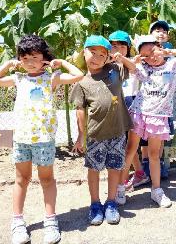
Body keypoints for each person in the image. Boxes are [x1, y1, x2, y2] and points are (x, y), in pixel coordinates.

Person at [0, 34, 84, 244]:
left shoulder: (52, 78)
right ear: (19, 60)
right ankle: (17, 222)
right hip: (21, 138)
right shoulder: (18, 78)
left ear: (44, 57)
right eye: (25, 58)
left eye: (34, 57)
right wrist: (8, 64)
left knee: (47, 180)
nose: (30, 63)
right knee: (21, 180)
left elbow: (78, 75)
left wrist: (63, 63)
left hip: (44, 139)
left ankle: (50, 221)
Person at [115, 35, 176, 207]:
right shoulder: (142, 68)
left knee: (154, 155)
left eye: (153, 50)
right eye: (146, 55)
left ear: (160, 47)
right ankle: (120, 188)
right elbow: (129, 65)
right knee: (130, 150)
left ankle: (157, 190)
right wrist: (126, 58)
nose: (151, 57)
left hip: (159, 117)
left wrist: (169, 51)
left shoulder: (174, 65)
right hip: (139, 113)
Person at [70, 35, 135, 226]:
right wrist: (81, 136)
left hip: (117, 132)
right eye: (93, 52)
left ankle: (111, 202)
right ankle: (95, 204)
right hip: (95, 135)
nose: (97, 57)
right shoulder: (82, 83)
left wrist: (120, 58)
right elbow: (80, 111)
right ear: (84, 52)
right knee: (94, 169)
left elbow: (133, 68)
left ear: (108, 57)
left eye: (102, 54)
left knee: (115, 167)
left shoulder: (115, 70)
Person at [108, 31, 150, 191]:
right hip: (115, 105)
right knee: (125, 145)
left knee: (128, 146)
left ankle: (124, 180)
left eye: (121, 45)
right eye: (113, 45)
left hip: (131, 105)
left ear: (128, 48)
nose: (117, 48)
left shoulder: (134, 63)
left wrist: (121, 58)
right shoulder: (107, 64)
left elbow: (133, 67)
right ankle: (139, 173)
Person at [141, 20, 174, 179]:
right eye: (157, 30)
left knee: (159, 138)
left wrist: (167, 53)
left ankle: (158, 164)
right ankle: (146, 164)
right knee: (144, 139)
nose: (161, 33)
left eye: (164, 31)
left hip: (164, 104)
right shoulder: (145, 50)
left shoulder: (169, 51)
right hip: (146, 101)